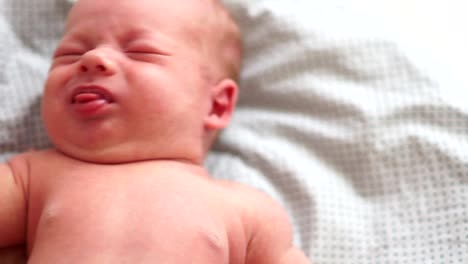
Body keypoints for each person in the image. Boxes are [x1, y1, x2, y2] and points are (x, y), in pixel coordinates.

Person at [0, 0, 310, 263]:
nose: (93, 58)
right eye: (70, 53)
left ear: (216, 105)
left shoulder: (247, 210)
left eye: (140, 51)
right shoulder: (30, 177)